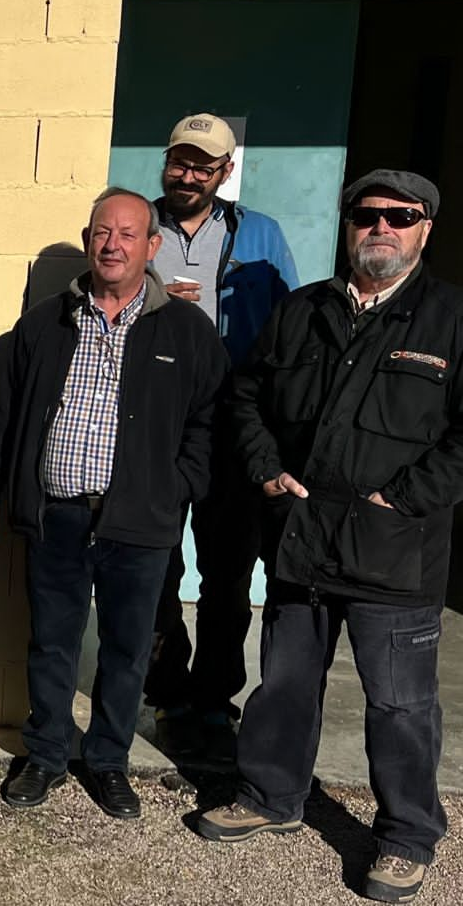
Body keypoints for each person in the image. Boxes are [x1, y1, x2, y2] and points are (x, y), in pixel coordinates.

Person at [195, 170, 463, 904]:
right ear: (349, 225)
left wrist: (405, 496)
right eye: (367, 214)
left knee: (401, 705)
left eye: (400, 217)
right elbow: (246, 395)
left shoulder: (460, 323)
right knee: (282, 686)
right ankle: (270, 796)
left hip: (393, 551)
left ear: (425, 229)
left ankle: (407, 835)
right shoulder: (302, 310)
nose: (382, 227)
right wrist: (267, 471)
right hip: (301, 540)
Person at [0, 188, 227, 820]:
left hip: (140, 522)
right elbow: (0, 413)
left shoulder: (186, 330)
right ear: (89, 241)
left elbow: (210, 421)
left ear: (152, 245)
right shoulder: (47, 320)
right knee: (51, 641)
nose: (112, 245)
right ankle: (49, 754)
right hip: (56, 513)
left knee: (126, 646)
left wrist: (179, 485)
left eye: (127, 235)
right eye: (101, 233)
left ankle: (109, 761)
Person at [143, 113, 300, 753]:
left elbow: (287, 324)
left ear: (224, 172)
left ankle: (215, 696)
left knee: (228, 570)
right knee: (154, 561)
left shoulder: (259, 232)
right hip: (154, 420)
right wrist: (158, 301)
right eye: (179, 161)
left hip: (230, 420)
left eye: (202, 166)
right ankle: (165, 690)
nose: (187, 175)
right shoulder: (138, 224)